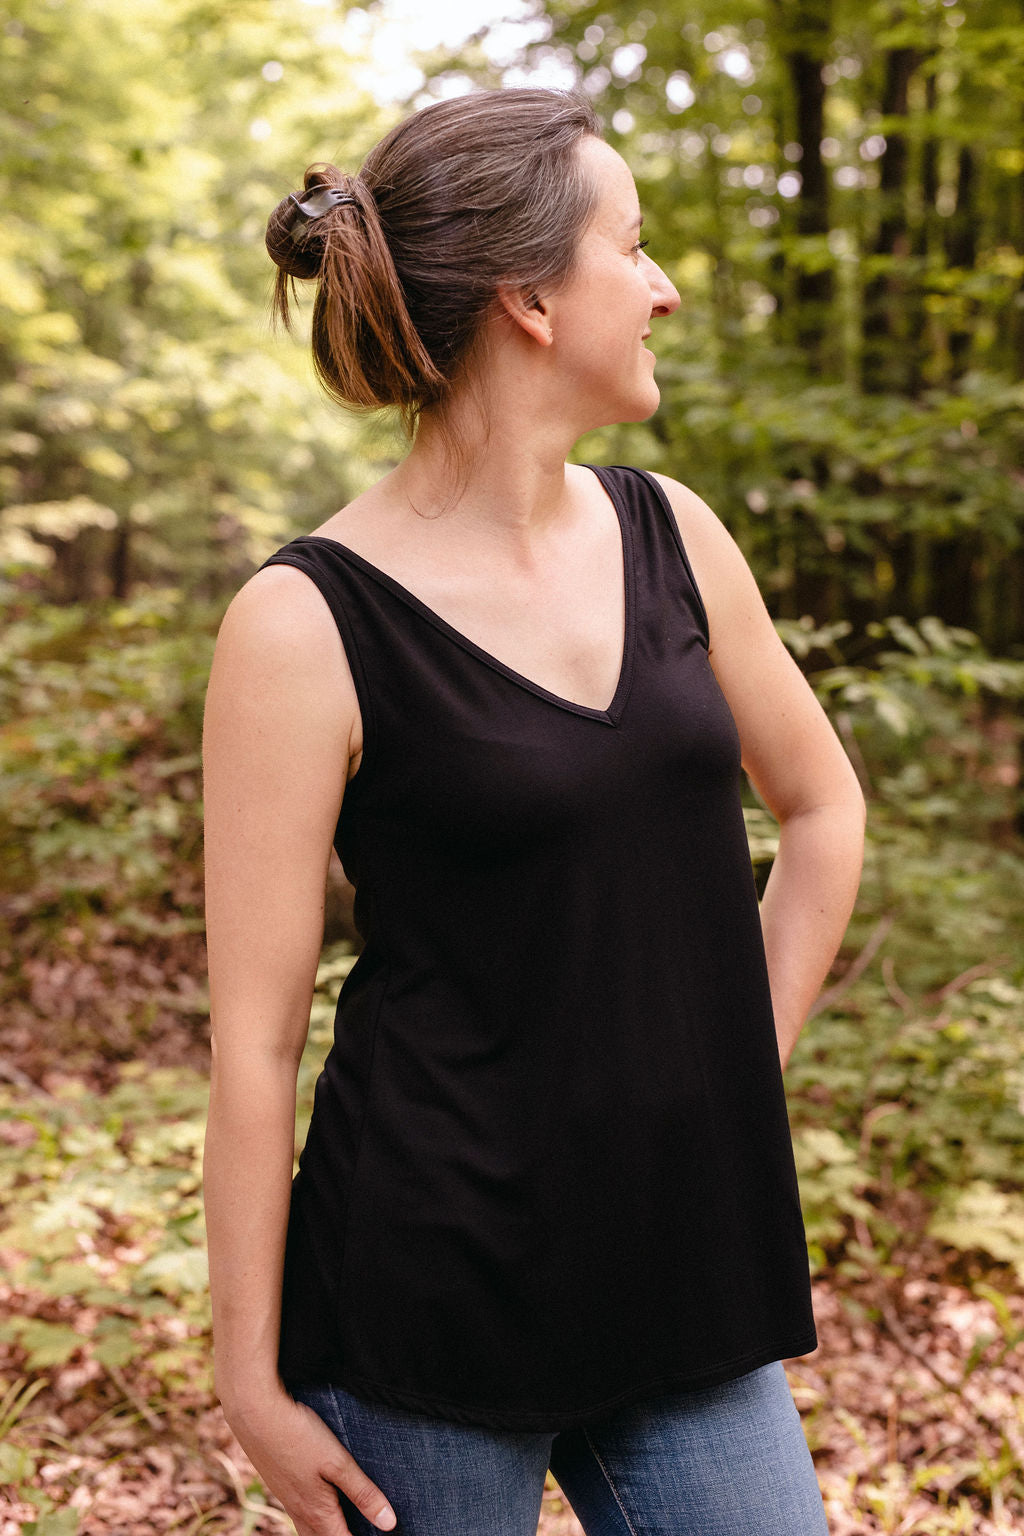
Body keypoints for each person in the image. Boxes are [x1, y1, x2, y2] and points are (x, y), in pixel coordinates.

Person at [202, 87, 865, 1536]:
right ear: (531, 302)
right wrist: (249, 1379)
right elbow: (254, 1041)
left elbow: (823, 811)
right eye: (632, 247)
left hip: (684, 1271)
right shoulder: (301, 623)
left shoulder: (675, 534)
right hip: (424, 1307)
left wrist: (727, 1076)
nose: (667, 285)